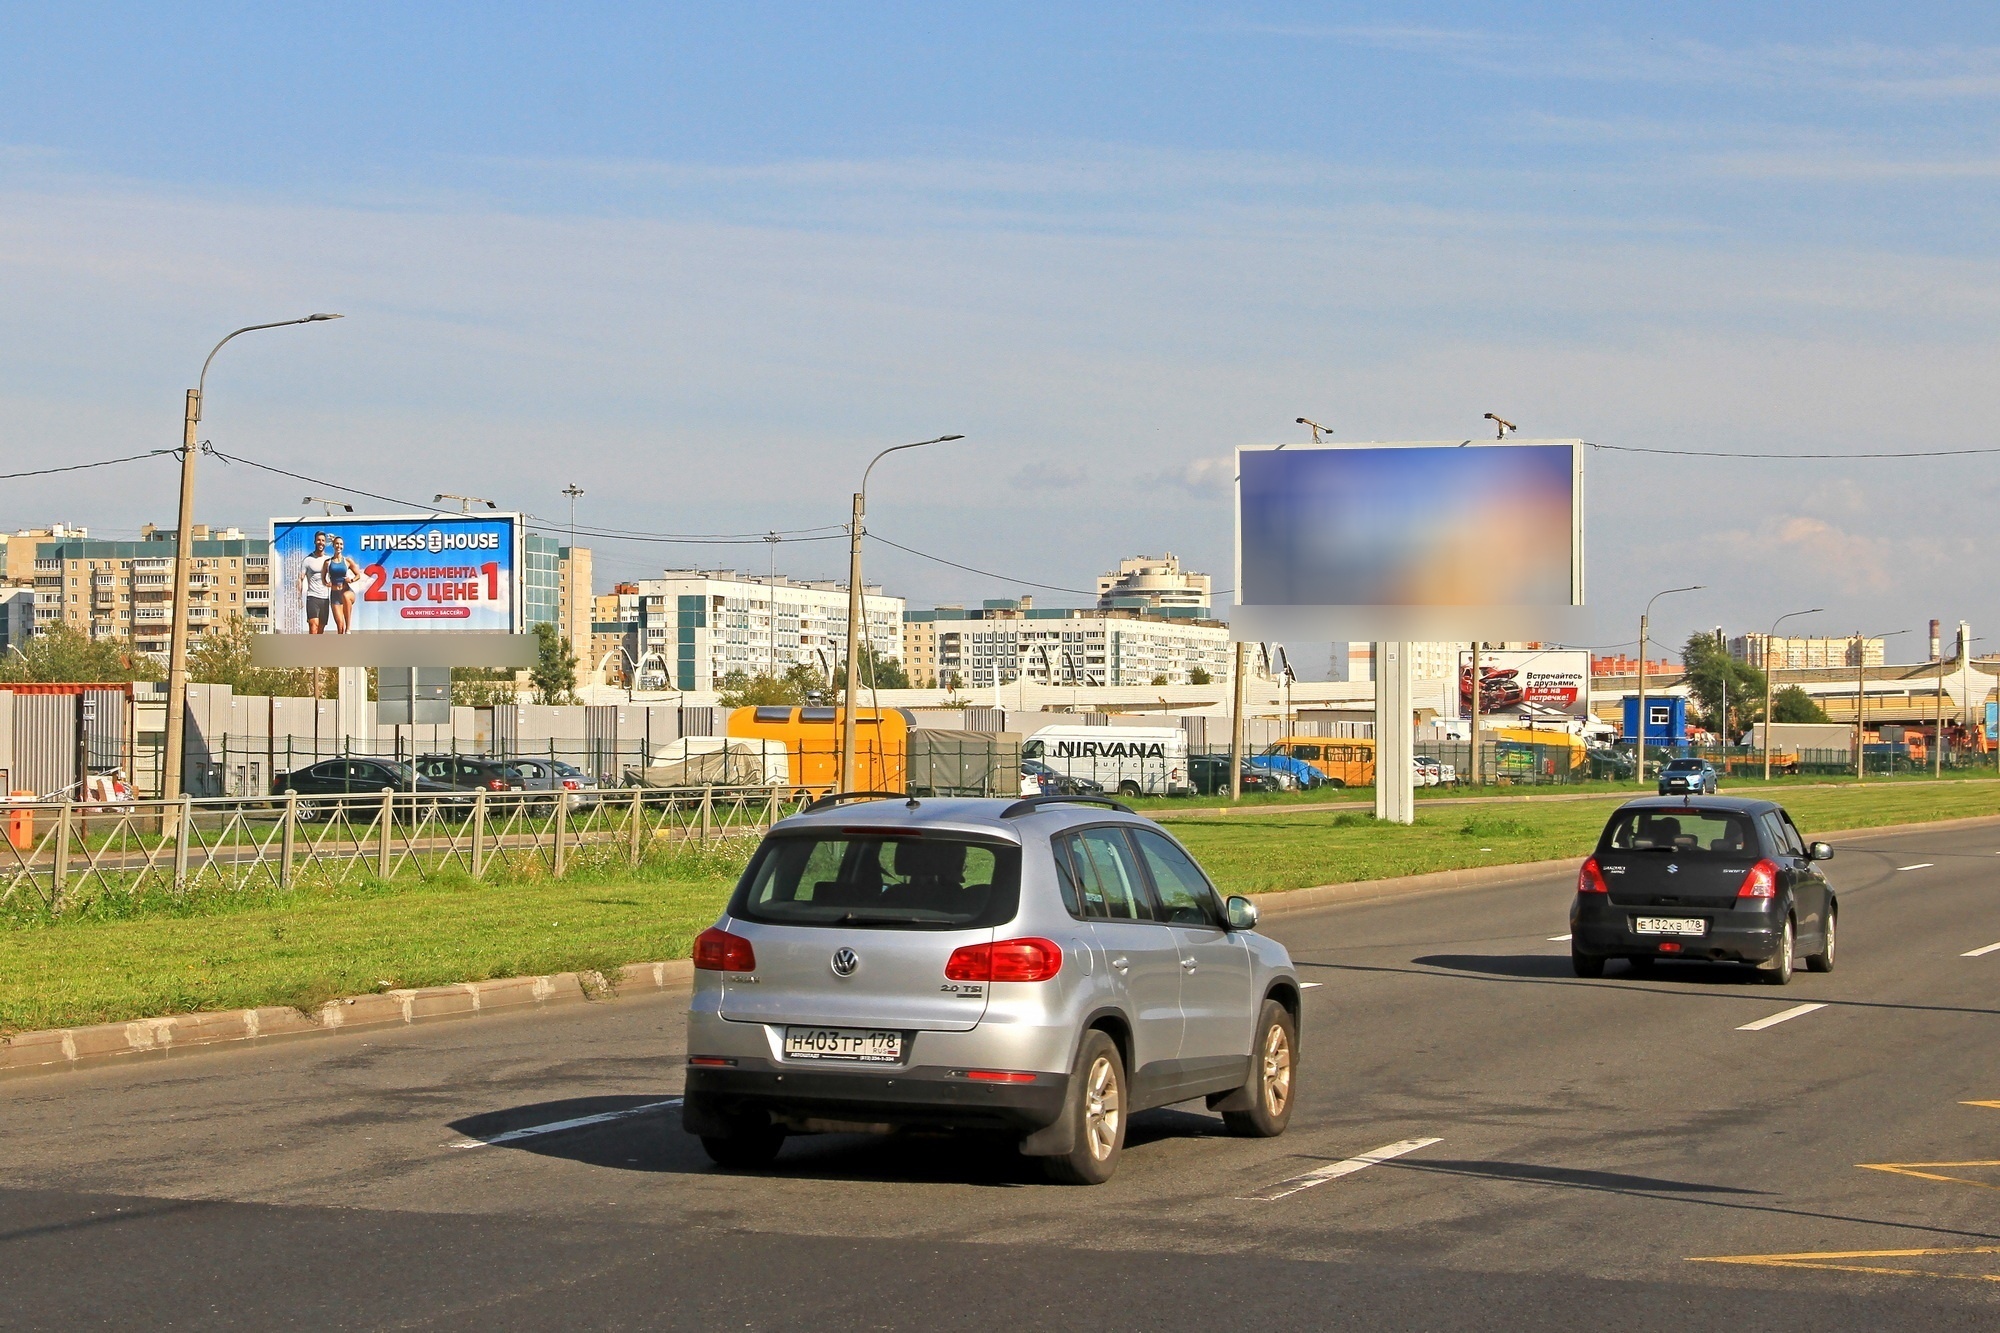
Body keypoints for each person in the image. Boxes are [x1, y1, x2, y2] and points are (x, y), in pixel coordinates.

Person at [325, 536, 362, 634]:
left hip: (347, 591)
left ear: (343, 546)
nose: (339, 546)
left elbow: (358, 575)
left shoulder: (347, 561)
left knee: (345, 596)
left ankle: (348, 629)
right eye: (337, 543)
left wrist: (352, 579)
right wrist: (327, 584)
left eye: (341, 544)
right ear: (333, 545)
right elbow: (323, 579)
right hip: (335, 595)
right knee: (340, 626)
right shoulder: (328, 562)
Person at [298, 531, 331, 634]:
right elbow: (300, 579)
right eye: (318, 540)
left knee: (320, 629)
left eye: (323, 541)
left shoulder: (329, 560)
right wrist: (299, 598)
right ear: (315, 541)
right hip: (312, 597)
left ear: (325, 543)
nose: (320, 543)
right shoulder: (308, 560)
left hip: (325, 598)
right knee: (313, 626)